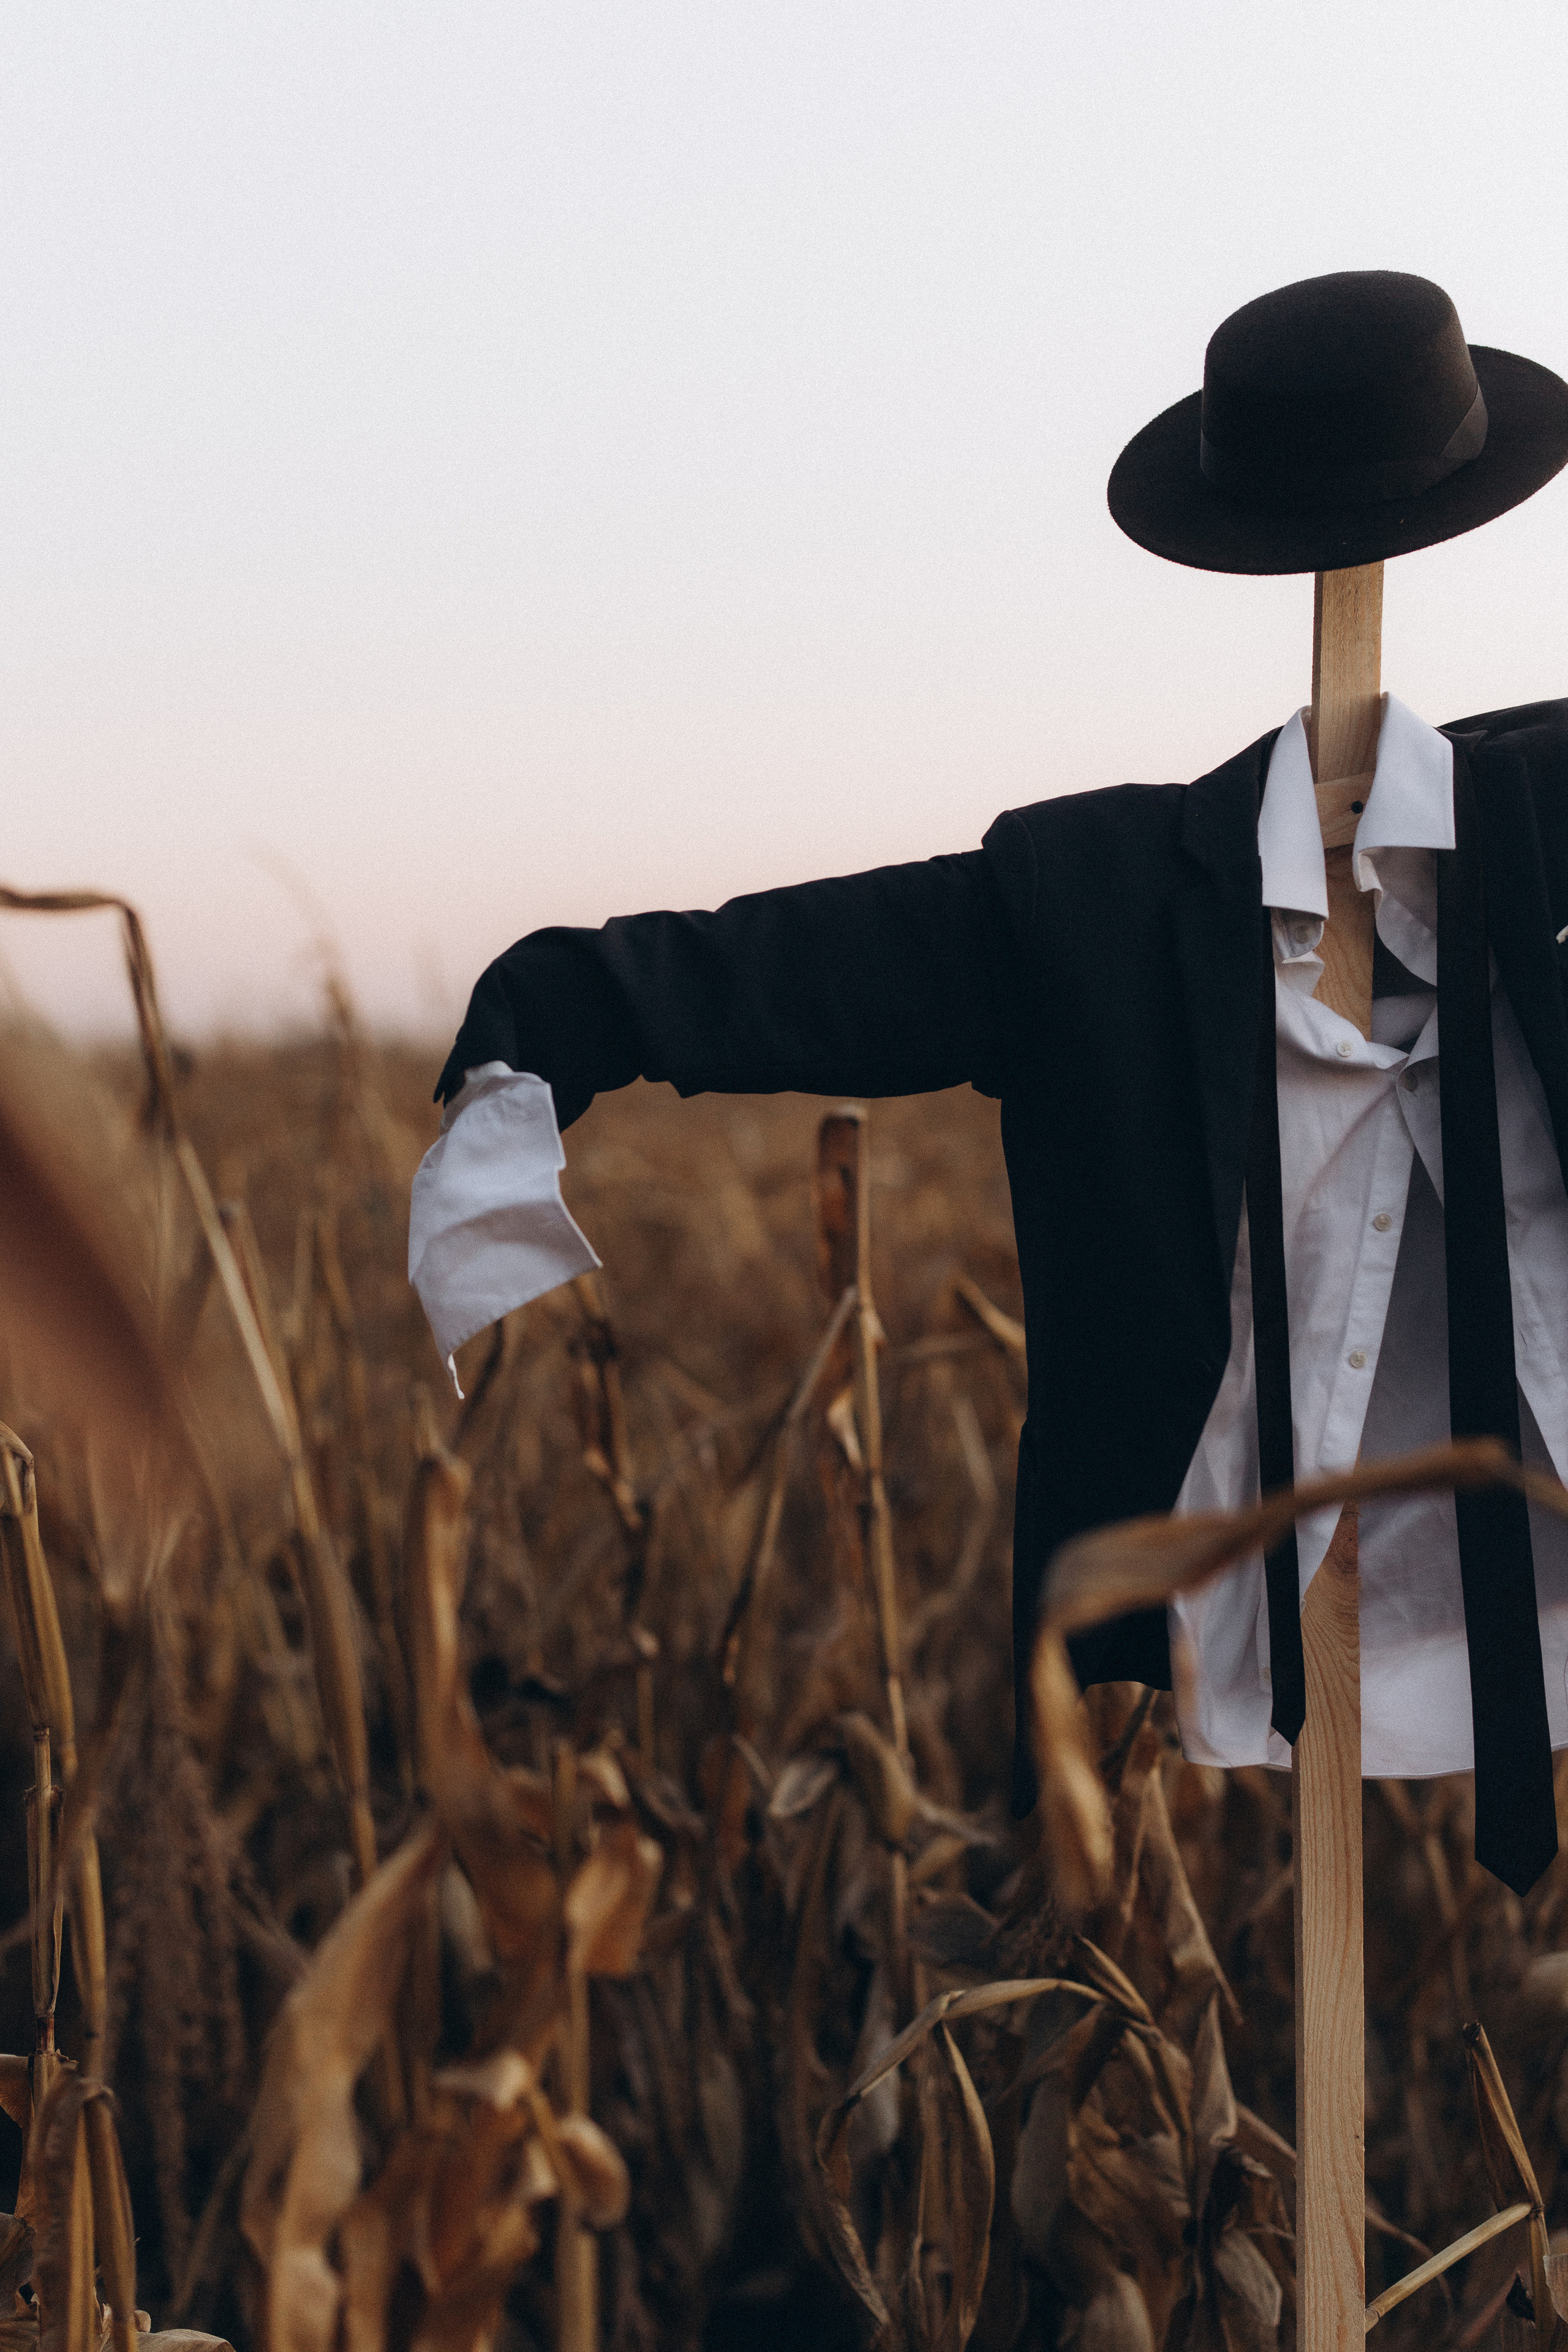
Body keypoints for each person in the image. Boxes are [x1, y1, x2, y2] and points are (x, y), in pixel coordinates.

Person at [412, 270, 1568, 1891]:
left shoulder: (1548, 829)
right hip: (1239, 1608)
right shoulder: (1087, 902)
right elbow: (790, 973)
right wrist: (545, 1029)